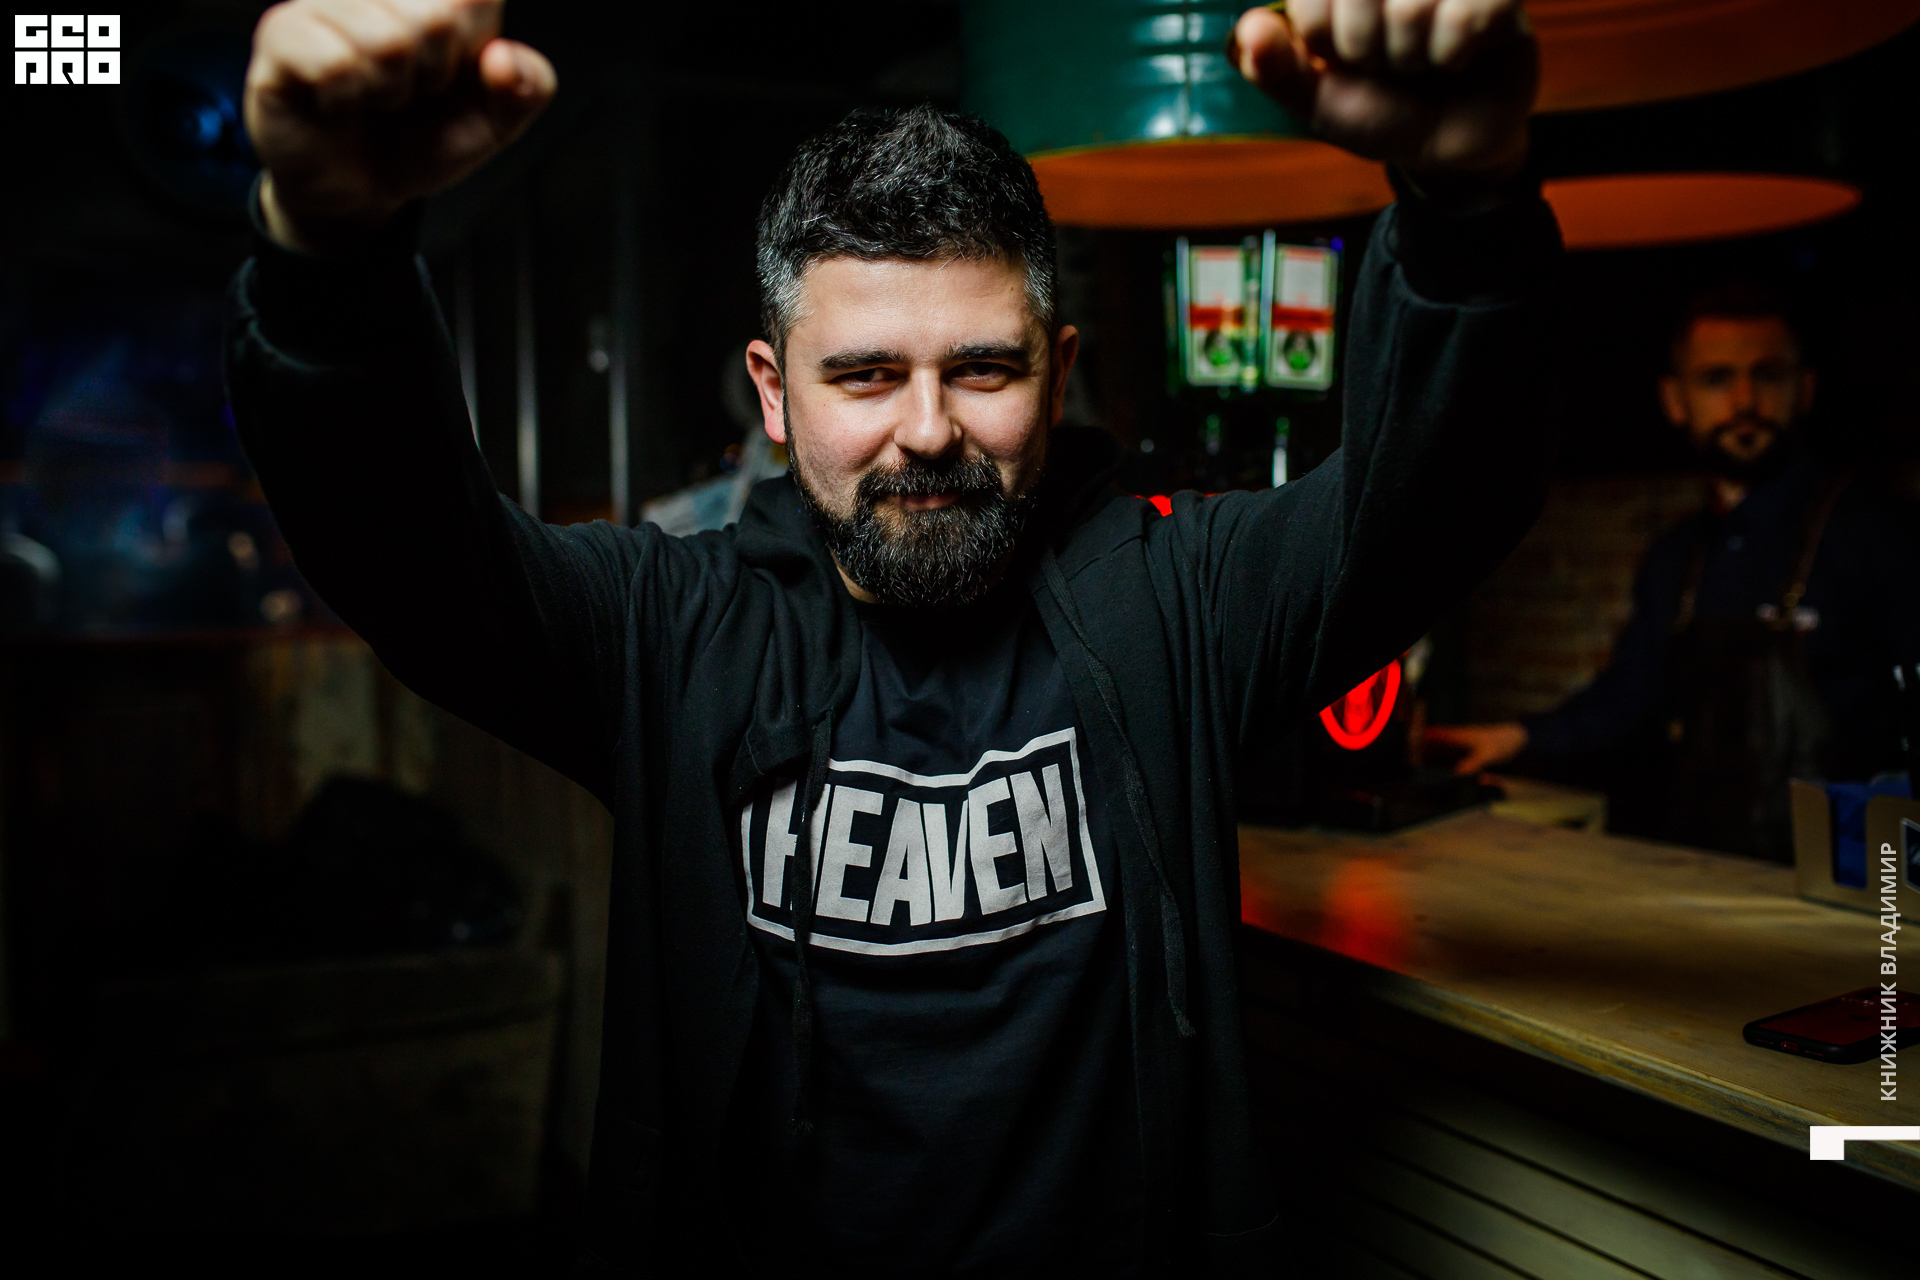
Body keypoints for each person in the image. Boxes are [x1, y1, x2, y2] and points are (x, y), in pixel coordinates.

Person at [227, 0, 1556, 1272]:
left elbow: (1432, 508)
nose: (927, 430)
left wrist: (1466, 209)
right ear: (774, 393)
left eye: (983, 368)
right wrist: (329, 253)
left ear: (1060, 372)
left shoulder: (1180, 603)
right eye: (865, 374)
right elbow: (410, 556)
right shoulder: (668, 632)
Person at [1429, 285, 1920, 859]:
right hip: (1702, 871)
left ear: (1805, 390)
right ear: (1675, 399)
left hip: (1849, 882)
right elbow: (1631, 699)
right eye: (1716, 379)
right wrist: (1512, 738)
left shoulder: (1878, 535)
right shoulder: (1677, 557)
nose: (1744, 401)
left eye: (1767, 375)